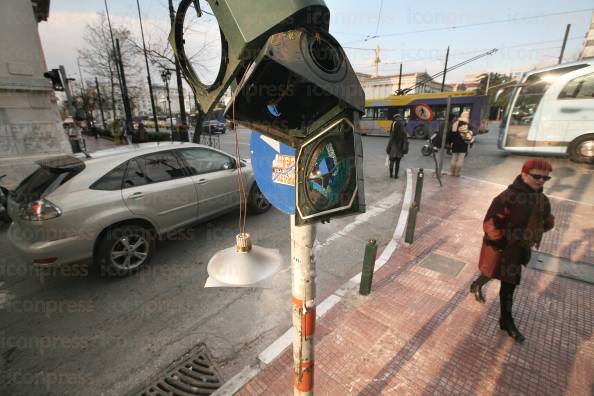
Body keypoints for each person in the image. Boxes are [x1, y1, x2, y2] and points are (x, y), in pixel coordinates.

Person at [469, 159, 555, 343]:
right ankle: (478, 284)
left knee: (509, 286)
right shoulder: (506, 197)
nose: (540, 181)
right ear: (524, 174)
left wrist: (544, 224)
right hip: (500, 249)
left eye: (545, 178)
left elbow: (547, 221)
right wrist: (500, 241)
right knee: (490, 273)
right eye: (536, 176)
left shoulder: (542, 199)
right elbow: (490, 223)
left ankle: (506, 320)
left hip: (518, 250)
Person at [446, 111, 474, 177]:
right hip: (464, 145)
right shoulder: (468, 126)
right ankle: (457, 173)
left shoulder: (455, 124)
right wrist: (471, 143)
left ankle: (452, 172)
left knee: (453, 158)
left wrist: (449, 143)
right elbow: (470, 136)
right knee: (460, 160)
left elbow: (450, 134)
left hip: (455, 144)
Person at [386, 114, 408, 179]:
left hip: (393, 148)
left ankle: (390, 175)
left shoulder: (393, 131)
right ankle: (396, 175)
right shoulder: (403, 132)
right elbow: (405, 140)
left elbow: (390, 141)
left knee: (392, 162)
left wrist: (388, 149)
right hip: (399, 148)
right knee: (398, 163)